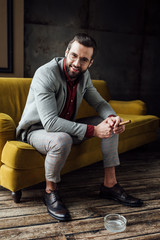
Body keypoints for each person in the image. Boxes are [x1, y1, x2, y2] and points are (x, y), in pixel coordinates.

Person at [16, 33, 143, 221]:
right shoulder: (46, 73)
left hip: (65, 127)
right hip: (37, 130)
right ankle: (50, 191)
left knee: (109, 125)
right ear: (66, 52)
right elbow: (50, 123)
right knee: (62, 139)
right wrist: (93, 130)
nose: (77, 63)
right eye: (74, 55)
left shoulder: (84, 76)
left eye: (84, 59)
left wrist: (112, 118)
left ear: (90, 63)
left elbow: (100, 103)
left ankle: (110, 185)